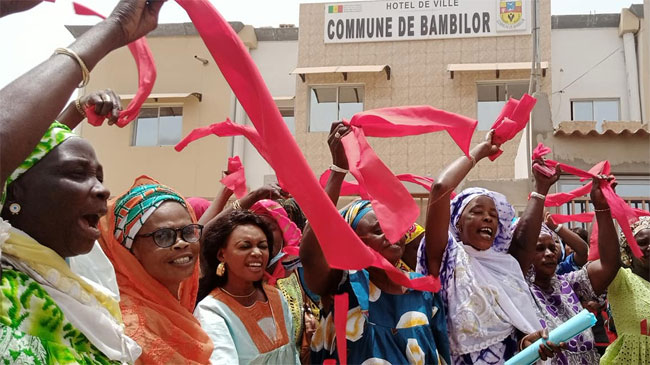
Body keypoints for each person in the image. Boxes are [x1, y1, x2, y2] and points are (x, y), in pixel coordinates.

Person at [0, 1, 164, 362]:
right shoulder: (7, 294)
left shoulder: (76, 288)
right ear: (14, 192)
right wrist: (114, 29)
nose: (103, 190)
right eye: (78, 174)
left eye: (100, 176)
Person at [300, 122, 451, 365]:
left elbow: (440, 353)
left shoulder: (421, 289)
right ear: (354, 241)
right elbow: (311, 248)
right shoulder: (340, 284)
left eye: (394, 227)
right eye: (379, 230)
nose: (392, 235)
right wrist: (339, 170)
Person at [422, 131, 564, 364]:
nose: (488, 218)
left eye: (494, 215)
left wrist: (526, 344)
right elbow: (440, 188)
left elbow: (516, 336)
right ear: (457, 221)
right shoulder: (445, 256)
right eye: (477, 212)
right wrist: (480, 150)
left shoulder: (506, 266)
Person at [98, 176, 213, 364]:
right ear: (128, 249)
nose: (181, 243)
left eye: (188, 232)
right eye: (163, 235)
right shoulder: (130, 328)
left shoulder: (173, 307)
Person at [522, 176, 620, 364]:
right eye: (539, 248)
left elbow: (609, 265)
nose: (550, 253)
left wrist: (602, 209)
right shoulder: (515, 291)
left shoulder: (568, 282)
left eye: (552, 247)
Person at [195, 210, 300, 364]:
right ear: (221, 255)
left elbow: (293, 356)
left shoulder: (276, 297)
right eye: (245, 246)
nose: (257, 253)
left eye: (262, 246)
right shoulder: (211, 310)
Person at [249, 199, 317, 364]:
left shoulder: (297, 272)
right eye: (257, 228)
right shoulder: (238, 278)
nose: (263, 236)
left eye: (270, 228)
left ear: (283, 232)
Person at [600, 216, 650, 364]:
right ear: (628, 249)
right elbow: (603, 249)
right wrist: (603, 210)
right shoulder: (620, 279)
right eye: (642, 243)